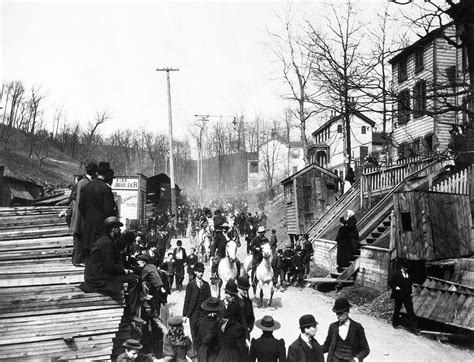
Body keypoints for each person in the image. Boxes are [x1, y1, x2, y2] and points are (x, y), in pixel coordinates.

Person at [79, 216, 141, 321]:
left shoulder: (105, 240)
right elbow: (109, 268)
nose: (120, 230)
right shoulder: (107, 243)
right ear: (113, 229)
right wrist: (124, 271)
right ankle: (131, 313)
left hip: (96, 275)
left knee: (132, 277)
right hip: (97, 279)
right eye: (118, 228)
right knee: (133, 280)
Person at [78, 162, 117, 258]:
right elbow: (109, 211)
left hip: (88, 226)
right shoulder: (106, 189)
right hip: (101, 228)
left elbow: (81, 206)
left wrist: (88, 217)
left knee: (89, 255)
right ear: (107, 175)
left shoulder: (87, 186)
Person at [322, 297, 370, 362]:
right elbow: (327, 346)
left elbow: (365, 349)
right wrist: (313, 348)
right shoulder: (333, 327)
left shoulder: (357, 327)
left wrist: (356, 359)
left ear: (346, 312)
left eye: (340, 313)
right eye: (336, 313)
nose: (337, 316)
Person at [70, 162, 98, 266]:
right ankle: (78, 260)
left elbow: (73, 197)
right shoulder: (87, 184)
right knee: (80, 238)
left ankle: (75, 260)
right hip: (82, 216)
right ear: (95, 173)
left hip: (77, 215)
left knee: (78, 238)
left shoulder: (81, 182)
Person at [183, 262, 211, 349]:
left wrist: (211, 311)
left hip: (203, 313)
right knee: (194, 332)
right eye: (199, 271)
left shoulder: (206, 285)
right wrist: (184, 315)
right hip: (193, 313)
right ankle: (196, 351)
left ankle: (202, 351)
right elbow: (187, 300)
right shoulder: (190, 285)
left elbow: (209, 299)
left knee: (203, 333)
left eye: (202, 271)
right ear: (195, 272)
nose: (201, 273)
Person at [388, 259, 419, 333]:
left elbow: (410, 284)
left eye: (407, 268)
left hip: (407, 295)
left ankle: (414, 328)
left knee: (410, 310)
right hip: (399, 295)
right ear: (402, 267)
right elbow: (390, 282)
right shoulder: (396, 274)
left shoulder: (409, 275)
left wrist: (411, 291)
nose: (406, 269)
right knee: (397, 309)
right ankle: (395, 324)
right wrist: (395, 287)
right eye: (405, 268)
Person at [137, 254, 165, 318]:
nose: (138, 265)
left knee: (151, 299)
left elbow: (142, 278)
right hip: (159, 284)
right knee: (156, 299)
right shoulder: (152, 266)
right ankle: (156, 312)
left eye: (139, 263)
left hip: (154, 285)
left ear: (143, 262)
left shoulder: (145, 269)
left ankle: (154, 313)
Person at [197, 297, 225, 361]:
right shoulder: (217, 324)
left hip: (202, 353)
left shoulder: (200, 322)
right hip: (214, 354)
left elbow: (197, 340)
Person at [237, 276, 255, 340]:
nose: (245, 291)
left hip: (246, 334)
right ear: (238, 288)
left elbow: (252, 318)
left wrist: (249, 328)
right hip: (235, 335)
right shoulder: (234, 302)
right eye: (243, 289)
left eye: (246, 289)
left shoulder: (249, 302)